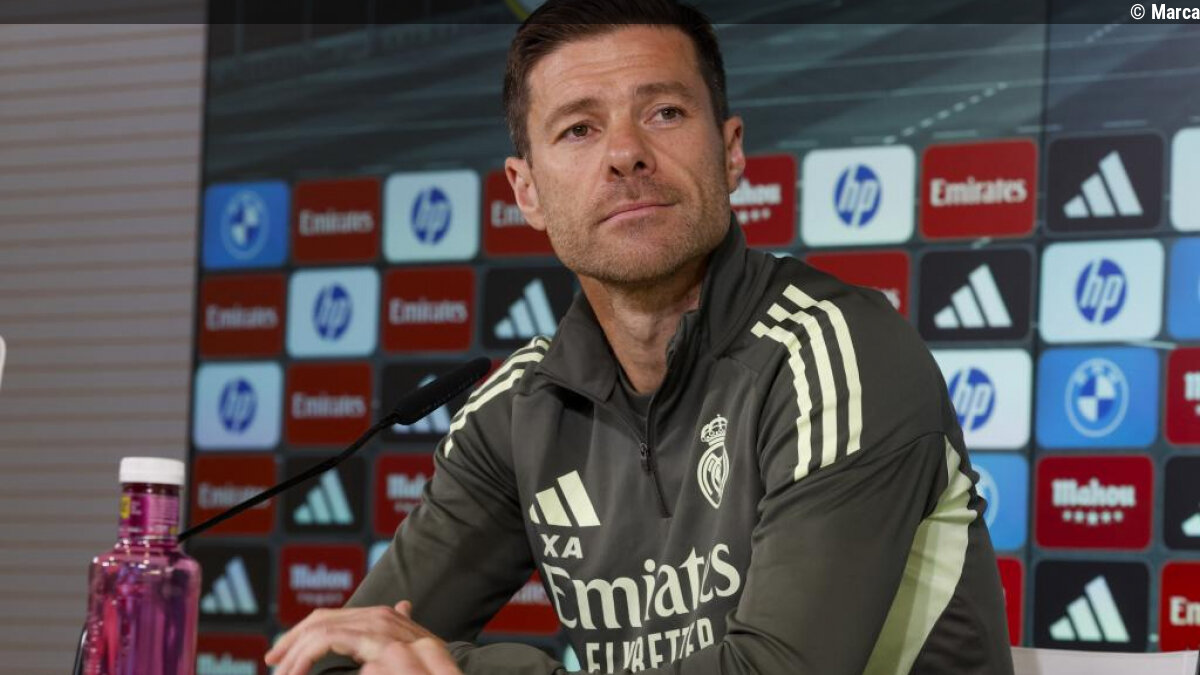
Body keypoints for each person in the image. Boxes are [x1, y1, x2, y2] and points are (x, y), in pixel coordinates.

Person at [266, 1, 1015, 673]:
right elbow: (342, 660)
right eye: (579, 128)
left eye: (663, 112)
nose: (625, 152)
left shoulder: (837, 353)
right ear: (527, 191)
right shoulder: (516, 413)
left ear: (730, 151)